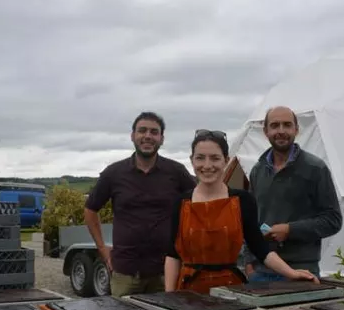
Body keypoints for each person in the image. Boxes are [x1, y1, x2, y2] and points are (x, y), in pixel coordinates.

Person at [164, 129, 317, 294]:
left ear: (226, 161)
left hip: (230, 289)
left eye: (215, 158)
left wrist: (291, 273)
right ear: (192, 161)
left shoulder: (242, 200)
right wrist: (169, 298)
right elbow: (173, 254)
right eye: (200, 158)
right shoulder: (181, 202)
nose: (207, 165)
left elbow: (260, 247)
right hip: (188, 290)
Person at [85, 111, 197, 297]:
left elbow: (197, 205)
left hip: (165, 272)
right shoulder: (114, 173)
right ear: (132, 136)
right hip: (125, 272)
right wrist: (103, 249)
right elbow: (90, 209)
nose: (147, 136)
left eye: (154, 132)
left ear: (161, 139)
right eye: (142, 131)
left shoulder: (176, 172)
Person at [243, 106, 342, 282]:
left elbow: (333, 220)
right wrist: (249, 261)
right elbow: (250, 221)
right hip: (260, 271)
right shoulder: (258, 172)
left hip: (301, 270)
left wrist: (290, 230)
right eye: (275, 125)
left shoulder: (315, 169)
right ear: (266, 131)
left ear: (296, 129)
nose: (281, 131)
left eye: (287, 125)